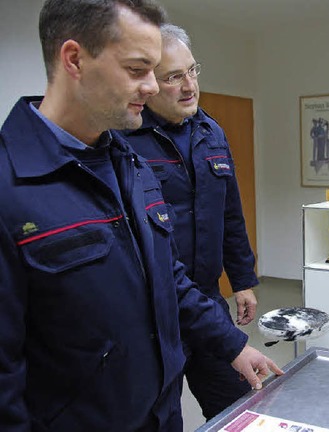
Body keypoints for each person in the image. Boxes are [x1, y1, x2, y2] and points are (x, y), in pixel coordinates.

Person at [0, 1, 282, 430]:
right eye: (138, 70)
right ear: (74, 59)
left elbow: (168, 277)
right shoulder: (10, 184)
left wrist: (232, 344)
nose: (153, 87)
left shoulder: (129, 166)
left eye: (157, 71)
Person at [121, 24, 259, 419]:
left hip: (207, 297)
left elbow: (230, 213)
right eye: (173, 77)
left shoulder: (211, 133)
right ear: (149, 82)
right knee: (162, 415)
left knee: (237, 407)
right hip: (155, 311)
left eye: (192, 70)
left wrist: (243, 278)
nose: (189, 85)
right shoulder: (125, 139)